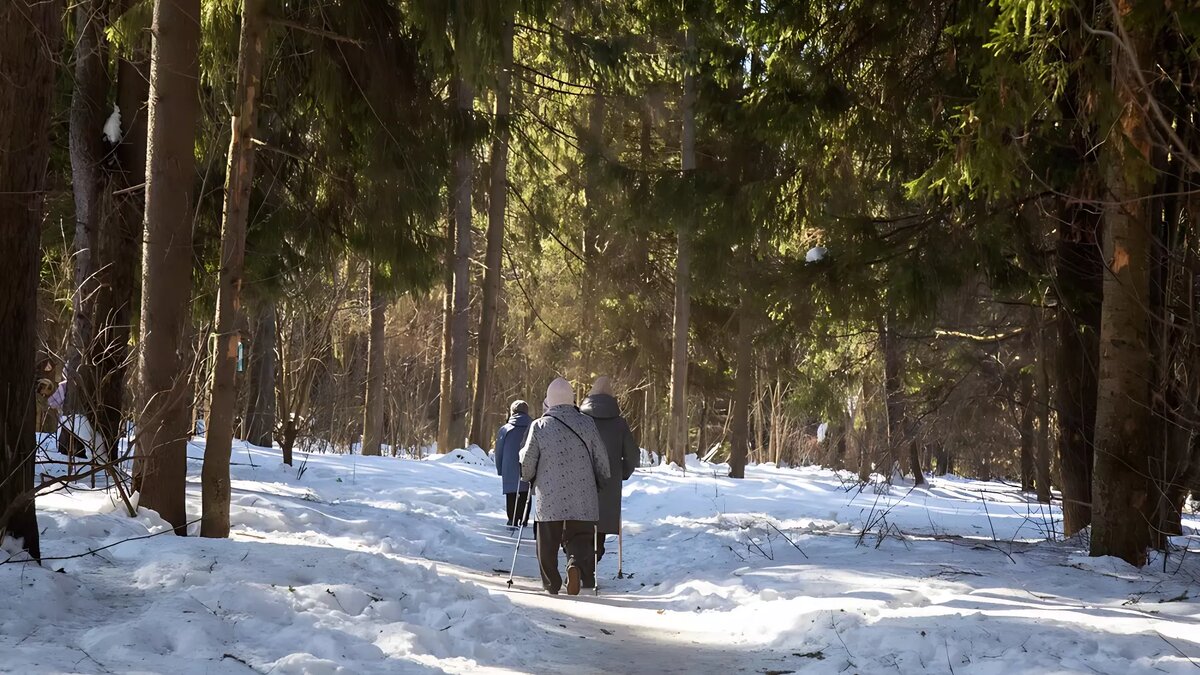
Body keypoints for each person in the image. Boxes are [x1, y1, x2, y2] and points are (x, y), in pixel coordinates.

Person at [520, 377, 610, 595]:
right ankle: (576, 565)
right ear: (571, 399)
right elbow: (602, 462)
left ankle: (552, 583)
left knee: (547, 541)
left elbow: (527, 464)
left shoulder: (539, 426)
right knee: (580, 536)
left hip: (549, 497)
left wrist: (527, 476)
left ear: (550, 401)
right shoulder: (587, 423)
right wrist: (601, 479)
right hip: (583, 495)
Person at [580, 376, 639, 564]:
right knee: (601, 524)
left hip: (580, 479)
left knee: (580, 523)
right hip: (609, 481)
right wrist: (623, 472)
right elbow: (632, 454)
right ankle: (592, 560)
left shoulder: (580, 420)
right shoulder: (619, 423)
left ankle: (576, 561)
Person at [494, 400, 533, 529]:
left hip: (509, 465)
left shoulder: (505, 429)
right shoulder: (533, 426)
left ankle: (512, 518)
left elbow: (499, 451)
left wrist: (500, 468)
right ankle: (524, 518)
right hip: (528, 463)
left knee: (511, 492)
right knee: (525, 492)